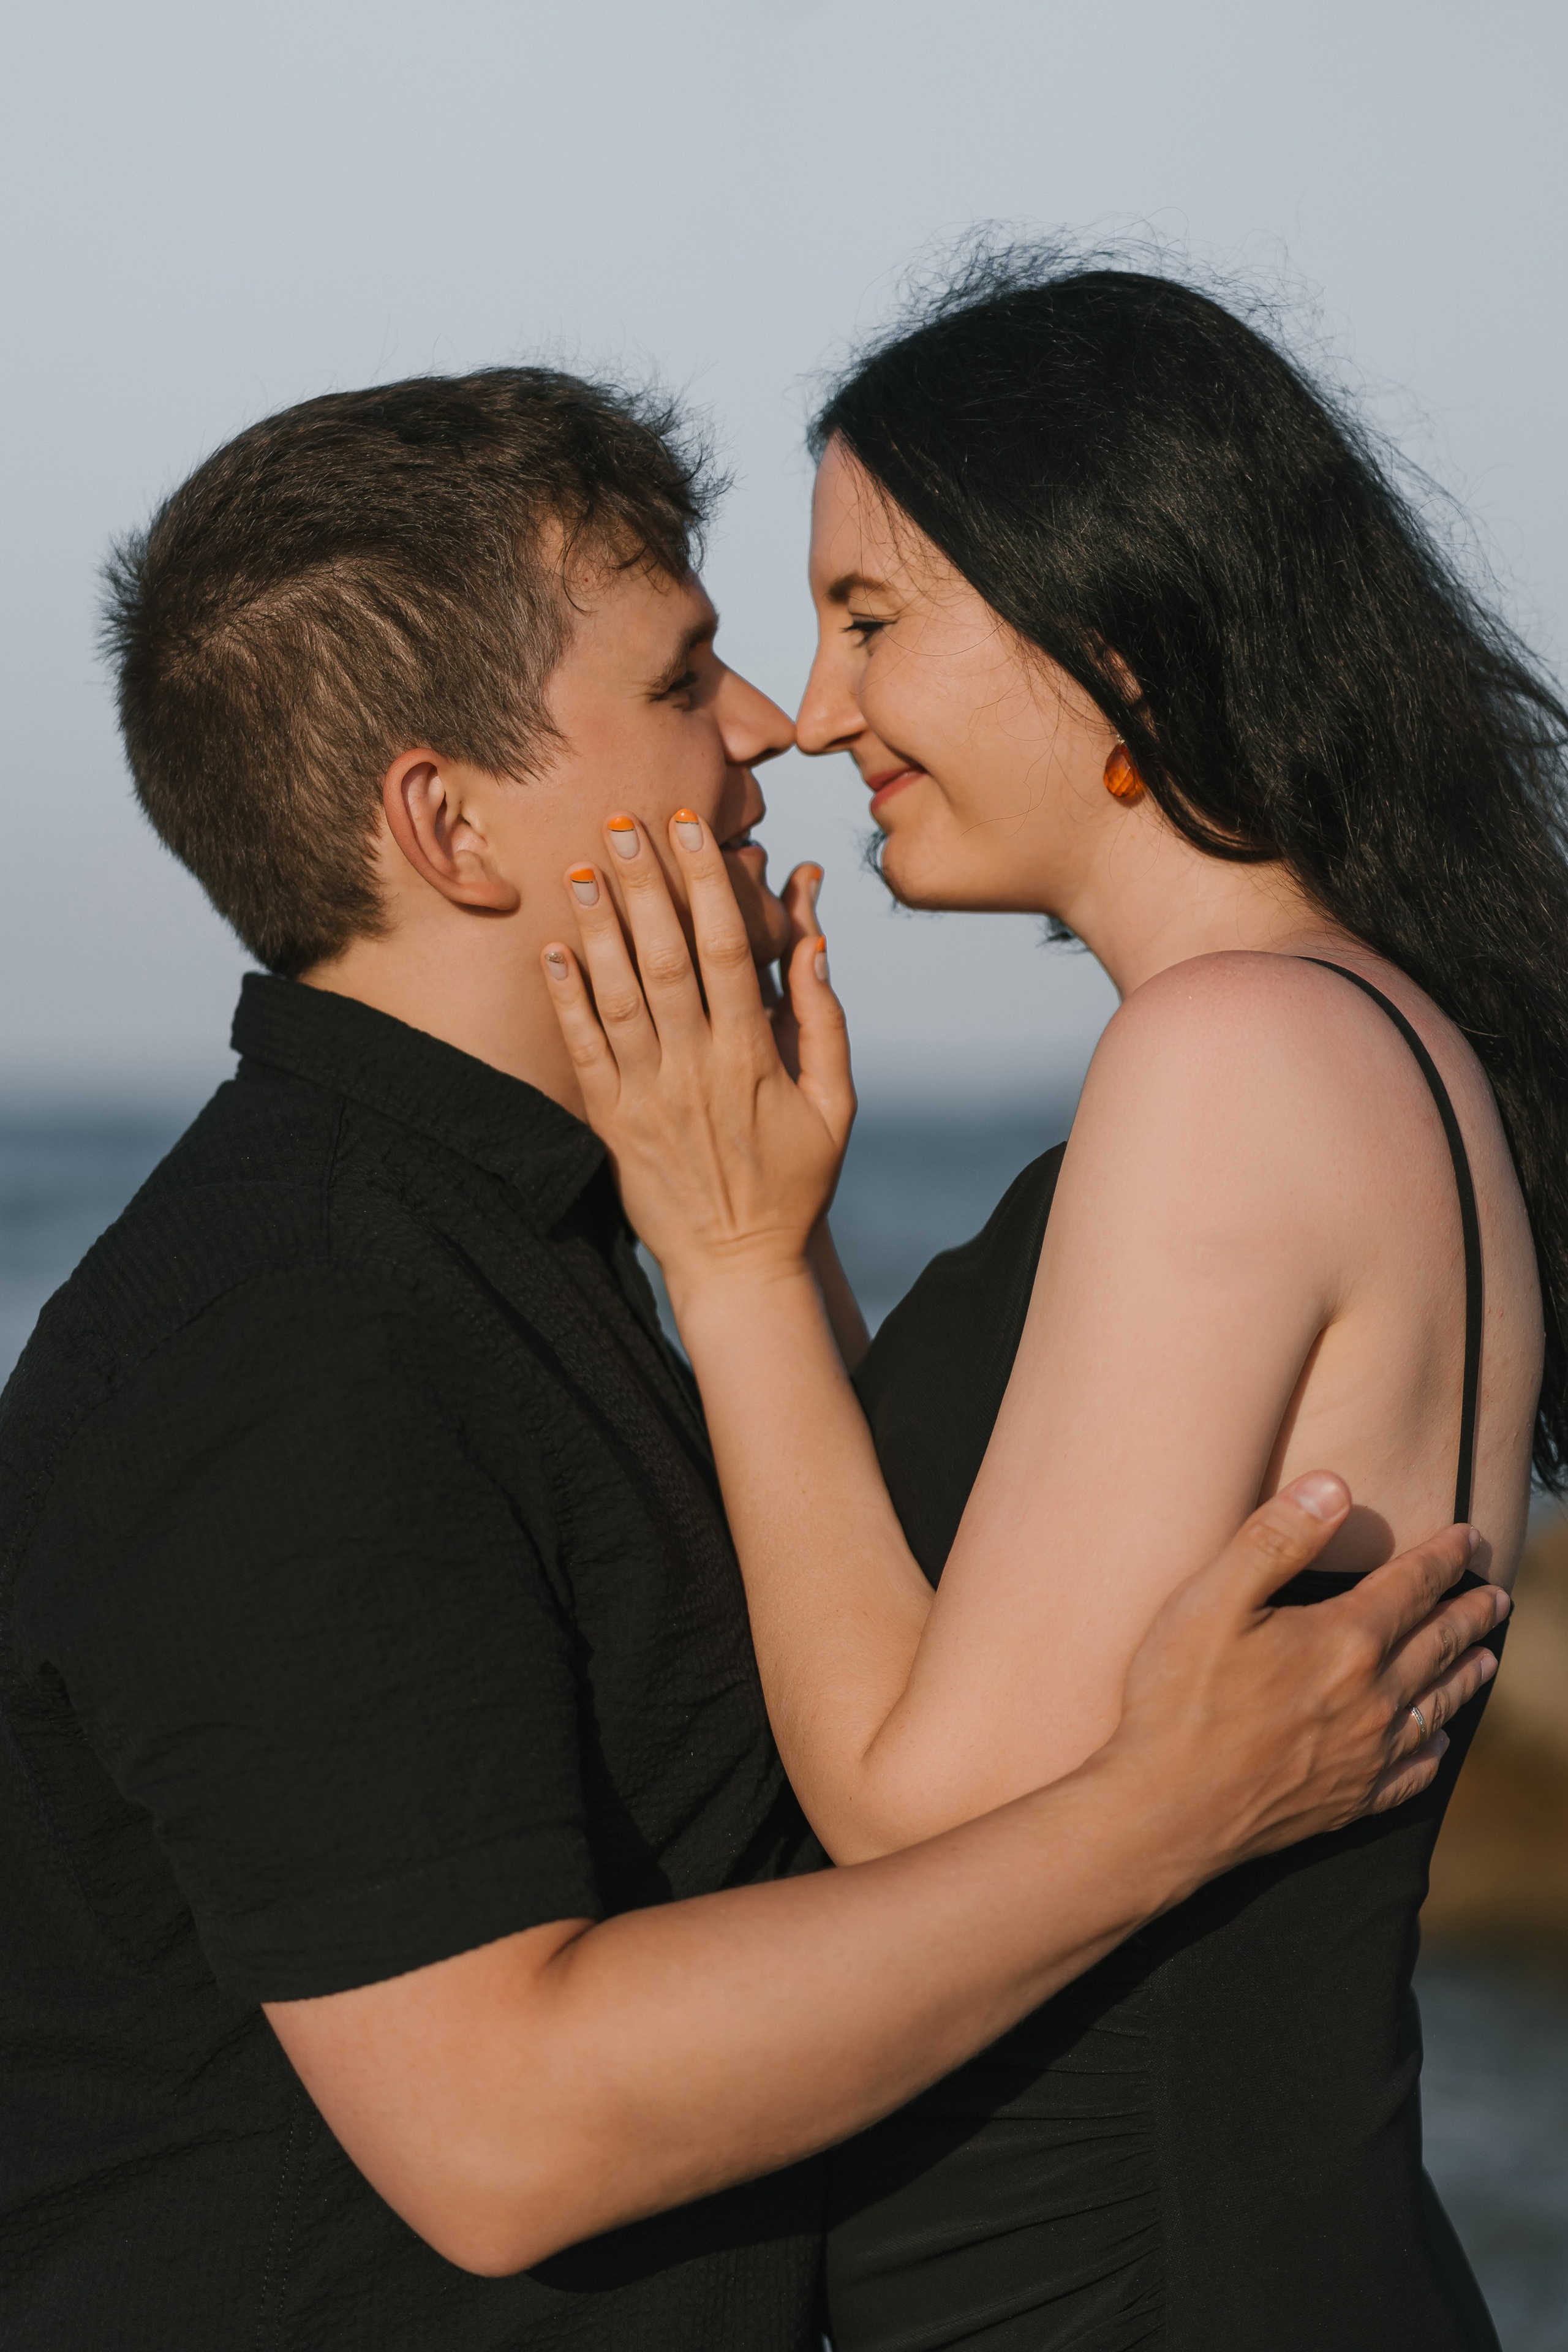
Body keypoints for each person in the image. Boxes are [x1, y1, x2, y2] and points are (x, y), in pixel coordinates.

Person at [0, 368, 1501, 2352]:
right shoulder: (283, 1330)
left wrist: (757, 1257)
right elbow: (504, 2134)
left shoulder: (520, 1240)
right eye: (686, 676)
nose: (776, 725)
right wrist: (1164, 1815)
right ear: (447, 825)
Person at [540, 258, 1567, 2352]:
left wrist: (726, 1269)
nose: (817, 717)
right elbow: (964, 1631)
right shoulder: (1349, 1034)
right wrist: (781, 1221)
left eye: (874, 619)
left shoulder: (1237, 1061)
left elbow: (928, 1808)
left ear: (1112, 631)